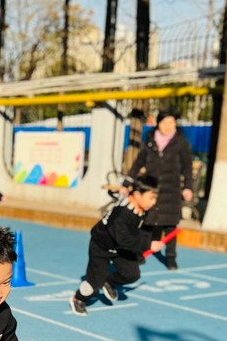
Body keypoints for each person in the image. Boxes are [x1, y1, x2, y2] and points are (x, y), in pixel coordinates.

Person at [69, 176, 161, 315]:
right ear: (137, 195)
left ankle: (109, 282)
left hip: (119, 247)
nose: (153, 202)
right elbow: (124, 239)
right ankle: (78, 299)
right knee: (94, 285)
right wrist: (148, 245)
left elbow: (138, 232)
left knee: (132, 274)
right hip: (101, 245)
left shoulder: (141, 207)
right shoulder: (122, 214)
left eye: (155, 198)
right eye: (151, 198)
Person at [129, 109, 193, 270]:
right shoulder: (150, 140)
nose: (168, 126)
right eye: (165, 122)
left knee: (170, 226)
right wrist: (128, 181)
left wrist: (188, 187)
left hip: (171, 190)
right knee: (147, 223)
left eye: (171, 122)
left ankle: (171, 258)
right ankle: (141, 252)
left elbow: (187, 167)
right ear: (158, 123)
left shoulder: (181, 142)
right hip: (151, 189)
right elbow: (138, 162)